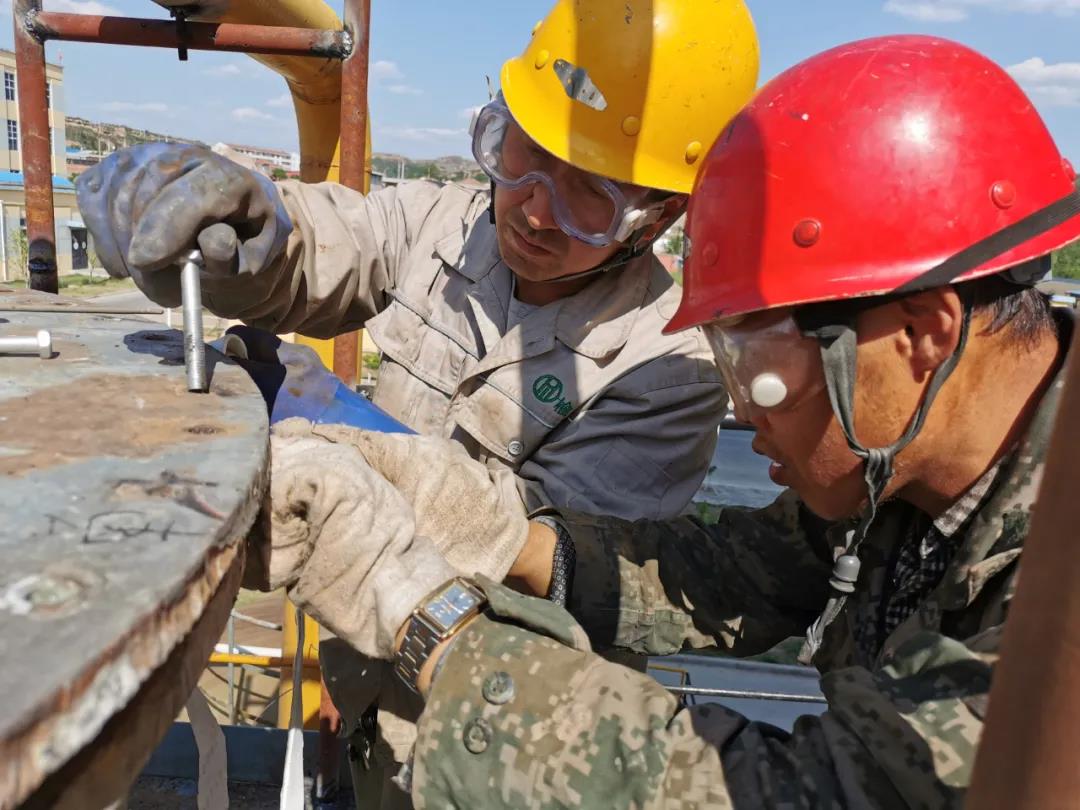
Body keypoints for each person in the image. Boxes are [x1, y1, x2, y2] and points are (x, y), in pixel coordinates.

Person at [256, 34, 1080, 806]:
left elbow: (784, 792)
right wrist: (489, 530)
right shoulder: (902, 476)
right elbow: (729, 578)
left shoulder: (1057, 609)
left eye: (756, 364)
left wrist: (421, 620)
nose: (741, 411)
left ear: (922, 335)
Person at [76, 1, 760, 802]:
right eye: (524, 154)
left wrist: (346, 429)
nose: (535, 210)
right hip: (369, 690)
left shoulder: (667, 371)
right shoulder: (446, 223)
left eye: (591, 195)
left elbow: (541, 563)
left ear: (659, 214)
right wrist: (245, 227)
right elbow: (325, 244)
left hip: (503, 748)